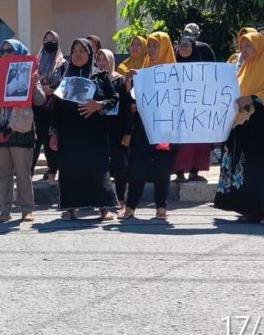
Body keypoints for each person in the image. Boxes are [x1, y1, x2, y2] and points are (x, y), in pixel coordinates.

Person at [215, 32, 264, 225]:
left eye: (249, 46)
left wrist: (253, 98)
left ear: (260, 47)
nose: (244, 51)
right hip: (244, 128)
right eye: (242, 47)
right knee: (246, 169)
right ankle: (252, 209)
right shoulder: (244, 70)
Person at [49, 38, 119, 221]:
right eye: (74, 51)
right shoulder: (65, 79)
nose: (78, 54)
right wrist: (54, 133)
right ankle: (70, 208)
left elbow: (114, 99)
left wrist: (98, 105)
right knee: (70, 170)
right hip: (69, 135)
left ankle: (104, 208)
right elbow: (57, 109)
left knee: (97, 169)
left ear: (90, 54)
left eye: (82, 50)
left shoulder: (100, 76)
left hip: (94, 134)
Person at [123, 31, 178, 220]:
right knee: (137, 167)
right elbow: (132, 98)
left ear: (165, 48)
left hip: (165, 129)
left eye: (156, 46)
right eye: (150, 46)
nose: (152, 50)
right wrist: (129, 81)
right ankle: (130, 206)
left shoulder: (176, 73)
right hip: (143, 128)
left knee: (162, 169)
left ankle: (161, 207)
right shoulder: (144, 70)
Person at [0, 39, 45, 222]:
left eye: (10, 50)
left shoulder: (29, 73)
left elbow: (40, 100)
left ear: (20, 52)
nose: (6, 53)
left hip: (21, 130)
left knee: (23, 173)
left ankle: (27, 209)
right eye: (3, 50)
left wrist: (34, 84)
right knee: (2, 173)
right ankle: (4, 210)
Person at [172, 35, 212, 182]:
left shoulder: (202, 68)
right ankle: (179, 173)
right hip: (179, 112)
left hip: (198, 112)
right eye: (181, 44)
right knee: (180, 144)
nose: (183, 47)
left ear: (193, 47)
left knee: (197, 142)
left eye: (187, 44)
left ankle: (194, 171)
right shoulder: (171, 65)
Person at [96, 48, 132, 210]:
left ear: (111, 61)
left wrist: (128, 132)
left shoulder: (121, 81)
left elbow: (126, 108)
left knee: (119, 167)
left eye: (105, 59)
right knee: (100, 166)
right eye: (99, 60)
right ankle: (102, 200)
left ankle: (121, 199)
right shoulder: (94, 81)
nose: (101, 63)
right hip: (99, 130)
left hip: (117, 129)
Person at [32, 30, 67, 185]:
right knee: (34, 141)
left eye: (52, 40)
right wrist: (41, 89)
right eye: (46, 40)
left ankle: (52, 171)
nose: (48, 42)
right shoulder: (36, 63)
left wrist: (49, 90)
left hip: (53, 108)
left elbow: (63, 83)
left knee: (51, 141)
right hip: (36, 108)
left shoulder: (62, 64)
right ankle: (28, 174)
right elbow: (31, 81)